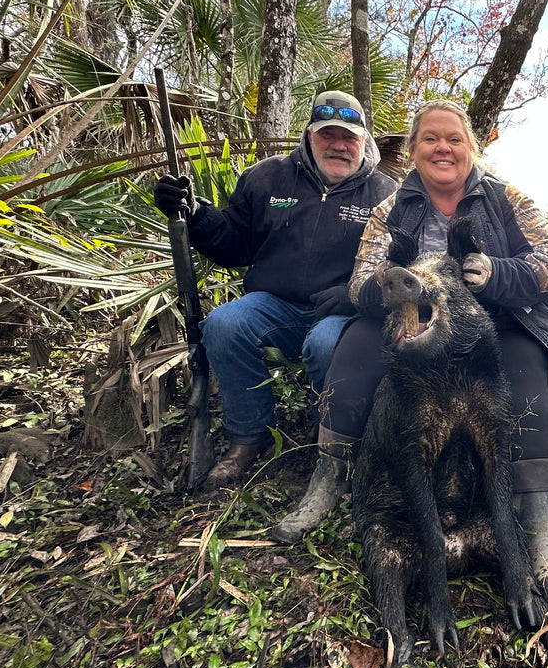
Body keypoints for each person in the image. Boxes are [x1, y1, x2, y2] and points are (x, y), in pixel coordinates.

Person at [271, 100, 548, 600]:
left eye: (454, 139)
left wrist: (497, 274)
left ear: (470, 148)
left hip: (501, 323)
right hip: (414, 322)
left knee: (526, 382)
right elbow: (358, 284)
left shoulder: (508, 199)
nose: (443, 147)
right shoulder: (391, 208)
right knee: (352, 352)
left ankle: (541, 518)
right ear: (412, 150)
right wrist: (391, 288)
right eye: (431, 139)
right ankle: (329, 480)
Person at [152, 90, 398, 493]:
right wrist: (194, 214)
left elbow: (395, 264)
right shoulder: (267, 177)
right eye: (328, 134)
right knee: (224, 324)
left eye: (349, 137)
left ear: (365, 141)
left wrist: (354, 294)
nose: (338, 145)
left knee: (325, 346)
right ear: (309, 135)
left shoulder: (385, 192)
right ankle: (250, 437)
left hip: (341, 311)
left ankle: (337, 447)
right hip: (274, 305)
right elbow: (234, 243)